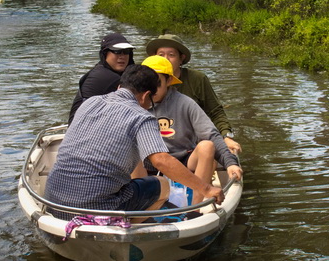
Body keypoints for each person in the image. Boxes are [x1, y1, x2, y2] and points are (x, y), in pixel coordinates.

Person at [45, 64, 224, 215]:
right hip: (98, 208)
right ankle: (134, 224)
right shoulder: (141, 116)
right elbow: (162, 161)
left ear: (119, 87)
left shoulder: (90, 102)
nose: (149, 107)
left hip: (54, 202)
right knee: (161, 185)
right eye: (150, 102)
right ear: (146, 96)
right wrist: (206, 189)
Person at [141, 56, 243, 205]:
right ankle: (137, 207)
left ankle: (195, 208)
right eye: (146, 84)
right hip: (148, 163)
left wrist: (230, 163)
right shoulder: (135, 102)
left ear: (169, 81)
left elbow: (211, 134)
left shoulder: (185, 103)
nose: (151, 89)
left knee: (207, 146)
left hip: (183, 161)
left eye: (157, 83)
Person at [146, 34, 242, 154]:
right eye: (161, 55)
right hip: (155, 142)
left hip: (191, 144)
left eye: (171, 55)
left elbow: (215, 112)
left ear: (181, 58)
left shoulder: (197, 79)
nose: (166, 59)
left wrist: (226, 136)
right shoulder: (144, 80)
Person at [68, 32, 135, 124]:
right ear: (105, 54)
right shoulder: (108, 77)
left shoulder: (100, 69)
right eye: (117, 51)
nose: (122, 56)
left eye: (126, 52)